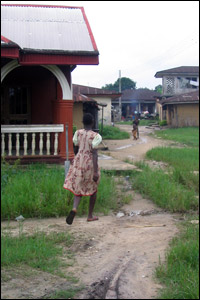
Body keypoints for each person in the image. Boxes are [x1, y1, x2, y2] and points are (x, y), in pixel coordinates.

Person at [64, 113, 102, 225]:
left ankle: (75, 208)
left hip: (78, 161)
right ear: (93, 122)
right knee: (93, 188)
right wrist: (95, 171)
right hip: (89, 162)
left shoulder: (78, 133)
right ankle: (90, 215)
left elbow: (76, 147)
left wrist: (74, 160)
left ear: (83, 122)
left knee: (79, 186)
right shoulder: (96, 136)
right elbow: (94, 154)